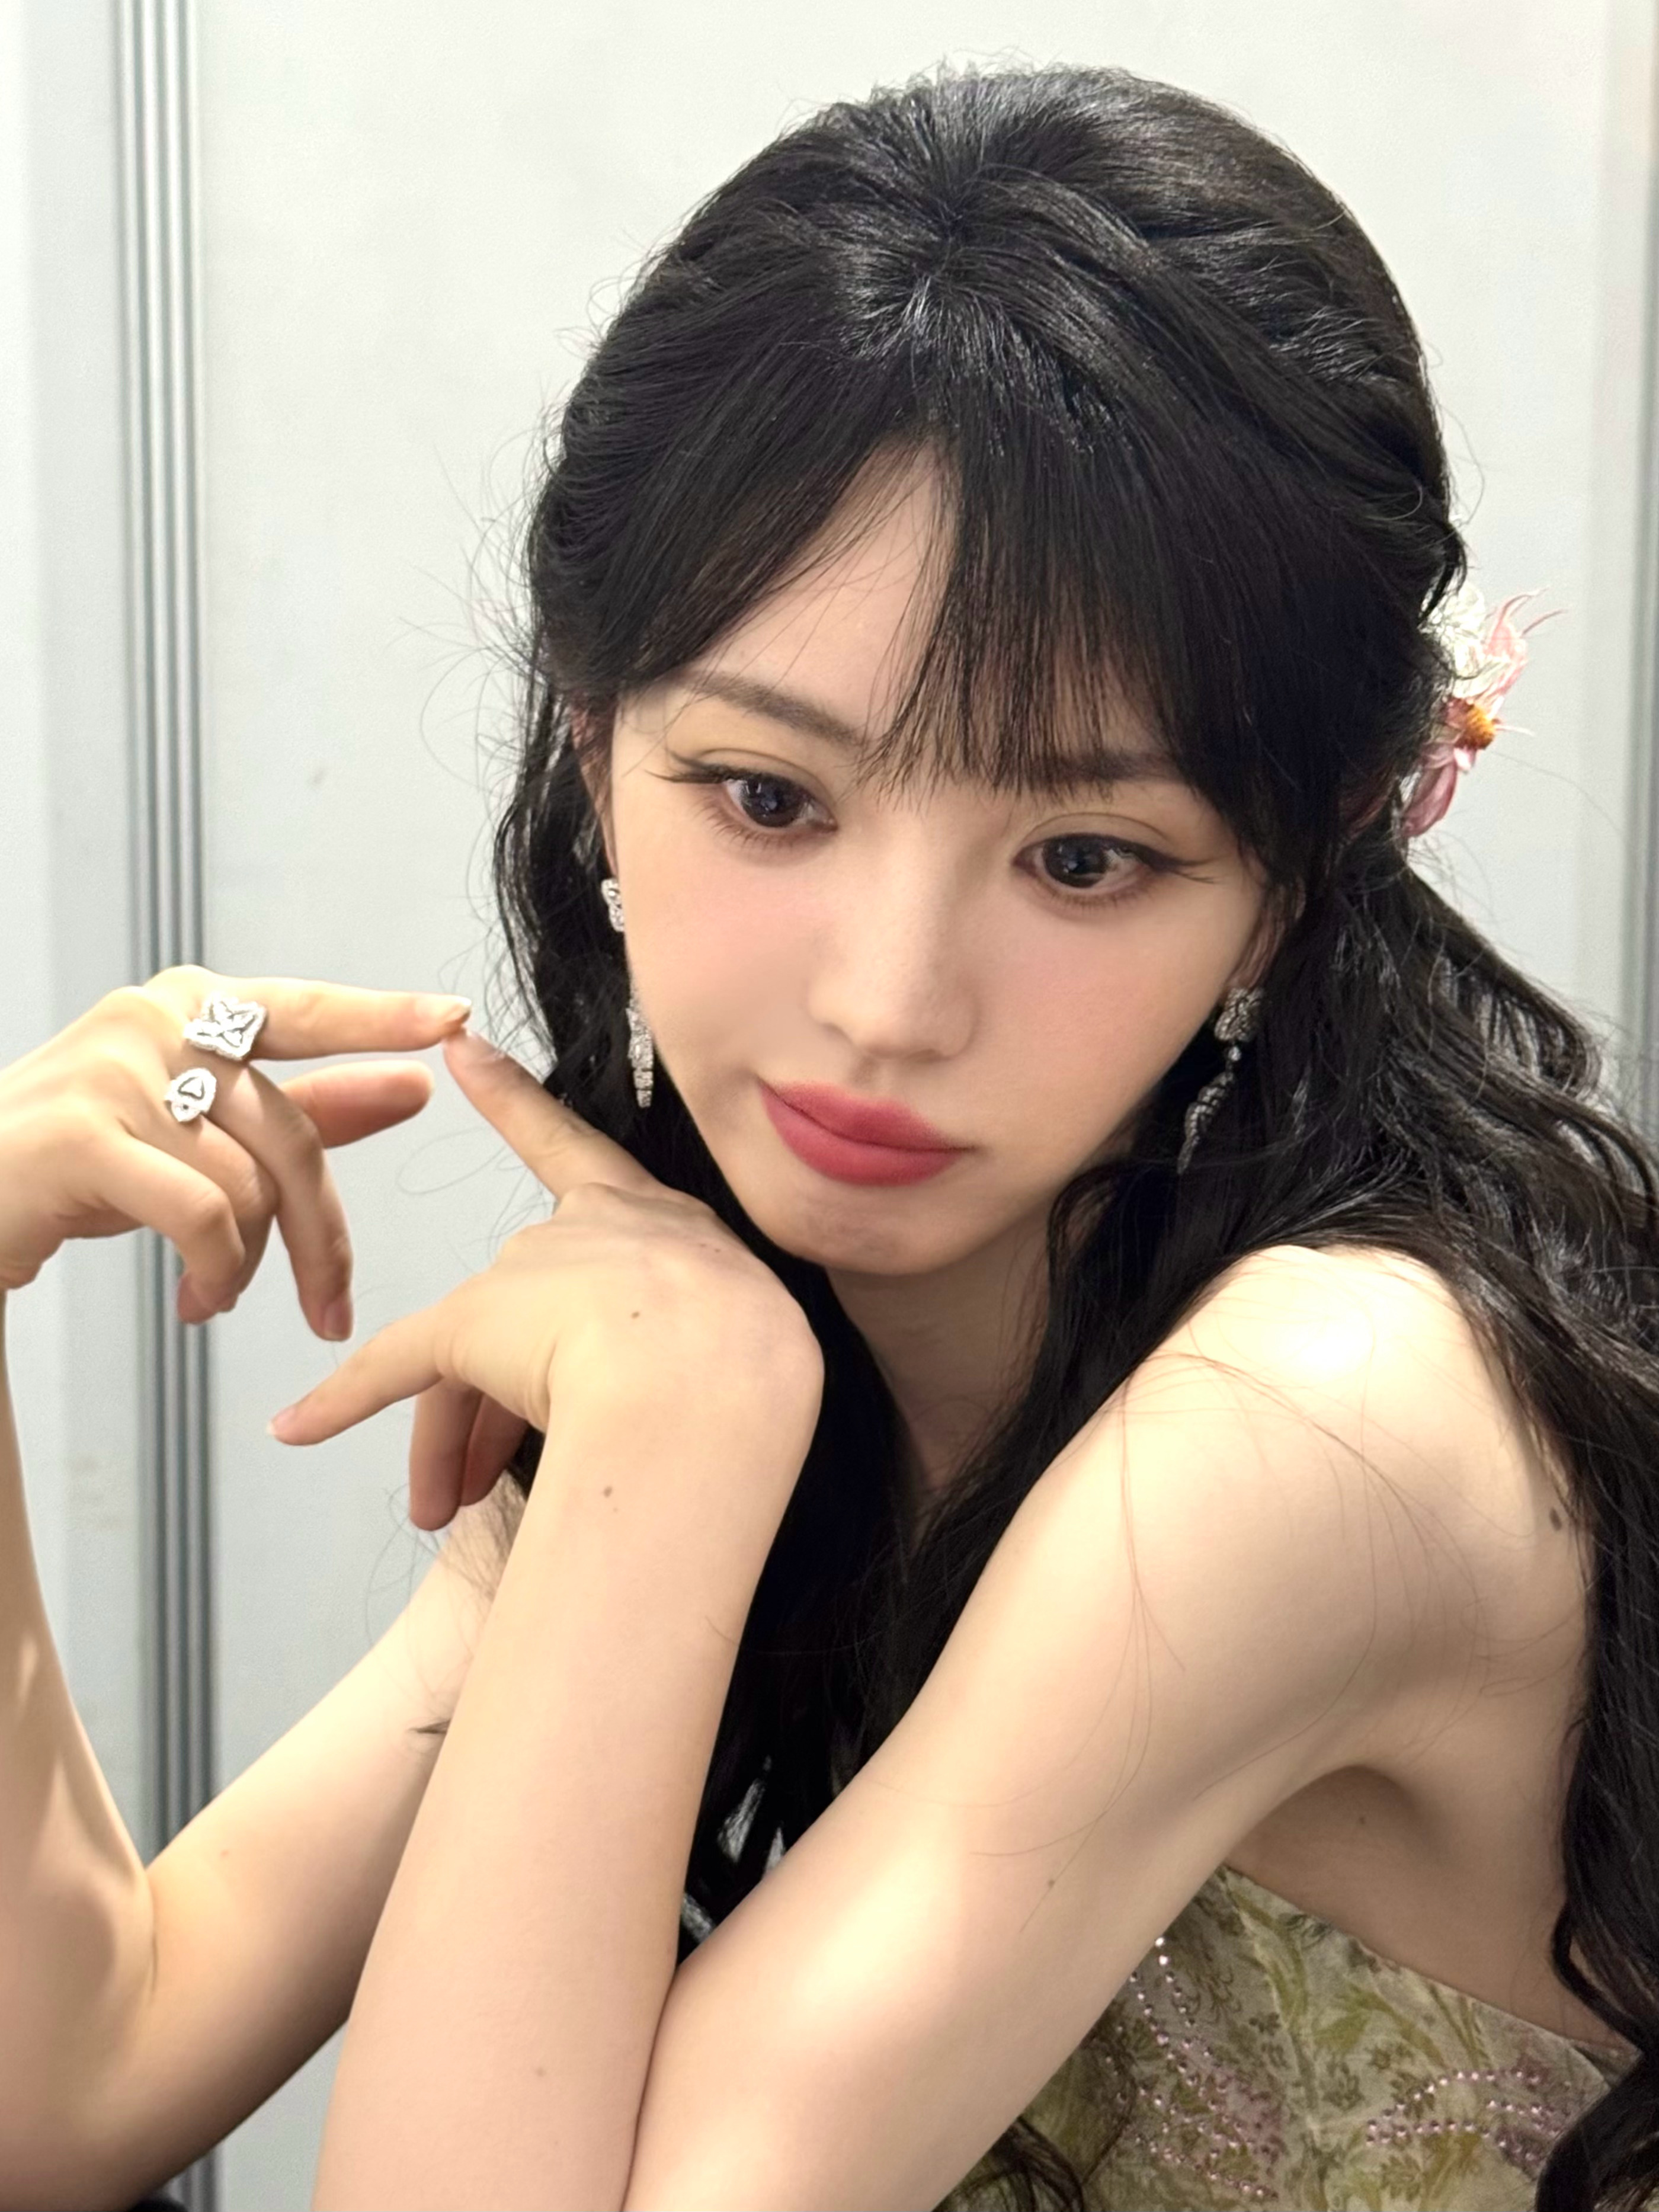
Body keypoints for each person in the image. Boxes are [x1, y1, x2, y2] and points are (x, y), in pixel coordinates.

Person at [1, 56, 1654, 2212]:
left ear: (1300, 871)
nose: (888, 1004)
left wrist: (672, 1443)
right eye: (769, 797)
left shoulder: (1322, 1420)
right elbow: (72, 2080)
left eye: (1083, 857)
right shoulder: (732, 1325)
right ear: (594, 750)